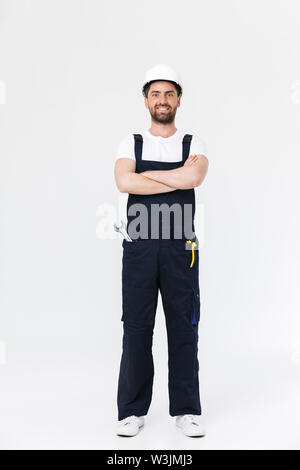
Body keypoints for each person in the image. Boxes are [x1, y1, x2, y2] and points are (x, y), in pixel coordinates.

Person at [114, 64, 209, 437]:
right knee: (137, 328)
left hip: (180, 249)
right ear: (146, 100)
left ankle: (186, 410)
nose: (162, 100)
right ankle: (131, 411)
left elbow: (194, 177)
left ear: (179, 100)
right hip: (139, 250)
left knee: (184, 328)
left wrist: (146, 176)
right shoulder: (131, 142)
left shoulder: (193, 143)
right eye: (156, 94)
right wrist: (172, 177)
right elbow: (123, 181)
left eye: (169, 94)